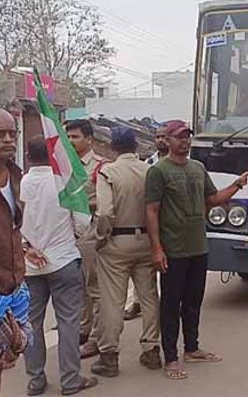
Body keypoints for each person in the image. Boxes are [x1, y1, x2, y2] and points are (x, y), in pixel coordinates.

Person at [145, 120, 248, 380]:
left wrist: (237, 184)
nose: (185, 141)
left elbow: (212, 199)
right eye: (179, 137)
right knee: (171, 304)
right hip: (173, 250)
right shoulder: (158, 171)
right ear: (167, 140)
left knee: (193, 301)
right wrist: (157, 248)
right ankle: (170, 357)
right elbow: (151, 211)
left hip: (197, 247)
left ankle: (192, 348)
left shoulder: (197, 168)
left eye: (187, 137)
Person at [20, 136, 98, 395]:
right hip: (64, 260)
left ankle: (35, 380)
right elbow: (83, 223)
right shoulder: (66, 182)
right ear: (54, 154)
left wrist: (27, 247)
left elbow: (15, 223)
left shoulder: (22, 182)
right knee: (69, 323)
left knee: (32, 323)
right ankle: (70, 380)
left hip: (31, 265)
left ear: (28, 156)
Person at [90, 128, 162, 377]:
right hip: (146, 240)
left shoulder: (108, 172)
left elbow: (105, 212)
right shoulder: (149, 171)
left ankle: (109, 356)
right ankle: (151, 350)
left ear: (112, 147)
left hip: (116, 241)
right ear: (135, 146)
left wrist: (101, 238)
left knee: (113, 301)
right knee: (149, 296)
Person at [0, 108, 31, 397]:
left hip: (9, 288)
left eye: (12, 133)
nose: (7, 139)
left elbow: (10, 230)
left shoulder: (16, 176)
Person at [65, 119, 107, 359]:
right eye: (68, 137)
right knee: (76, 287)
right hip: (67, 234)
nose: (71, 141)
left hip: (90, 233)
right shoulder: (63, 166)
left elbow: (104, 202)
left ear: (89, 139)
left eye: (76, 137)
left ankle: (96, 338)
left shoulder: (100, 166)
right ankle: (83, 327)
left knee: (95, 288)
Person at [125, 123, 170, 322]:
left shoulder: (185, 163)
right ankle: (138, 303)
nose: (161, 140)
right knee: (145, 266)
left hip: (172, 224)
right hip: (151, 222)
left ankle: (169, 304)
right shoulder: (147, 164)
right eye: (158, 136)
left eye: (164, 136)